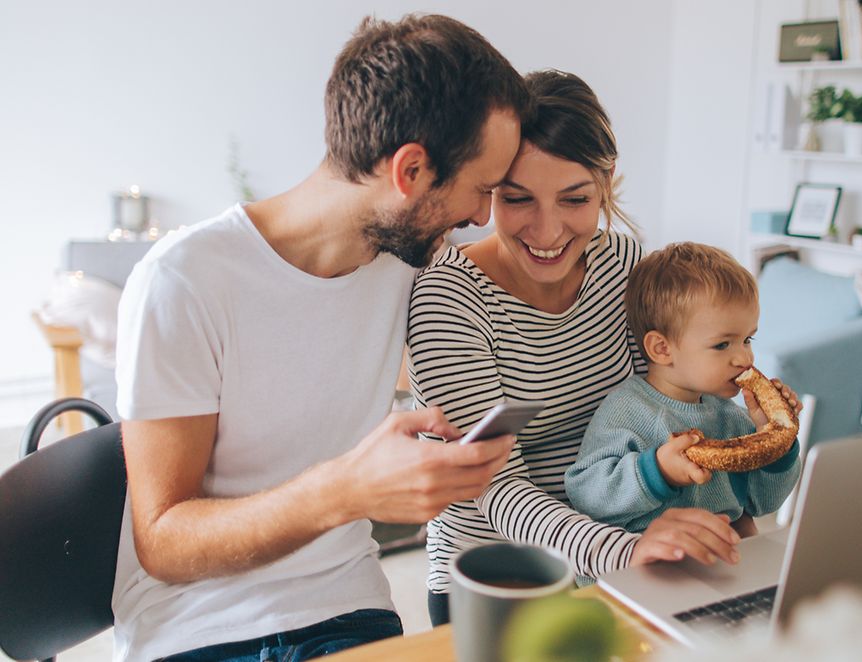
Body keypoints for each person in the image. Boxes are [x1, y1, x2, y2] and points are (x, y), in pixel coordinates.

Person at [113, 15, 532, 661]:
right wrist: (343, 491)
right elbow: (163, 544)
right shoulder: (184, 281)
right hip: (197, 626)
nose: (481, 217)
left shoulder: (414, 261)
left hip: (344, 608)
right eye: (479, 190)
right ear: (411, 170)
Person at [407, 70, 742, 627]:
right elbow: (498, 488)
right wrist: (624, 551)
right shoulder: (449, 297)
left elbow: (662, 410)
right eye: (517, 199)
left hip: (632, 548)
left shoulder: (624, 265)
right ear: (490, 190)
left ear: (606, 183)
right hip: (501, 574)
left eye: (575, 198)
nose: (547, 230)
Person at [564, 242, 802, 537]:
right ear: (662, 349)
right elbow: (586, 495)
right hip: (641, 565)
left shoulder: (731, 418)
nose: (745, 358)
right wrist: (658, 471)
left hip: (718, 562)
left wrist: (778, 445)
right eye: (722, 344)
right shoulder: (626, 410)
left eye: (748, 340)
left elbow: (763, 502)